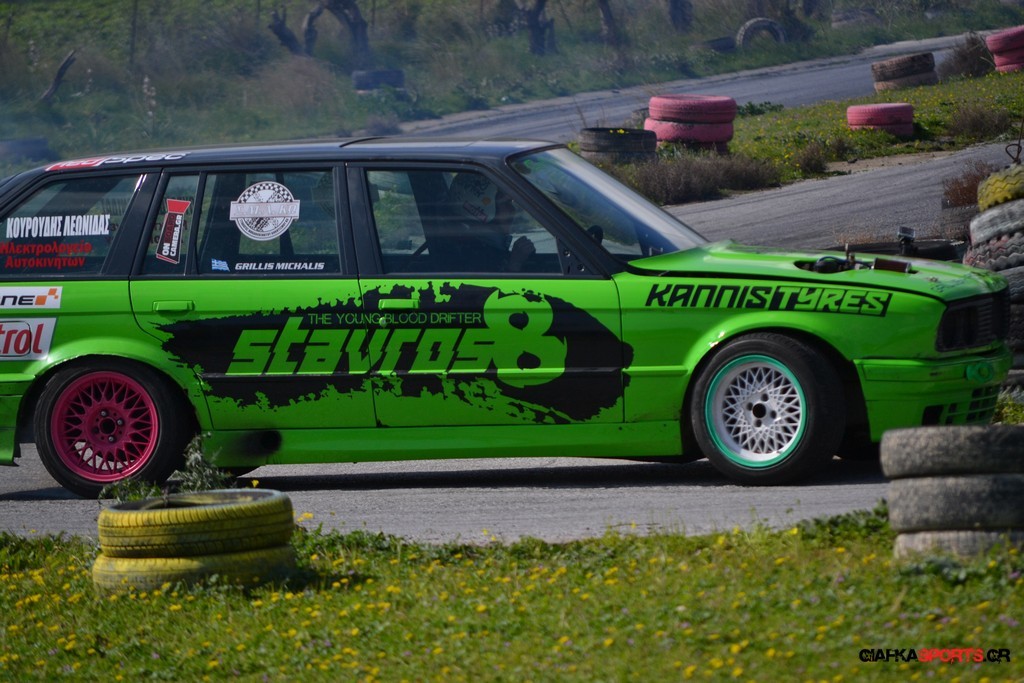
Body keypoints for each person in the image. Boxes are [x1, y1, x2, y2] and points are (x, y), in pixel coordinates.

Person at [448, 172, 535, 272]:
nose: (513, 210)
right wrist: (514, 264)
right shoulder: (475, 254)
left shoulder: (478, 246)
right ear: (484, 208)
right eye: (506, 203)